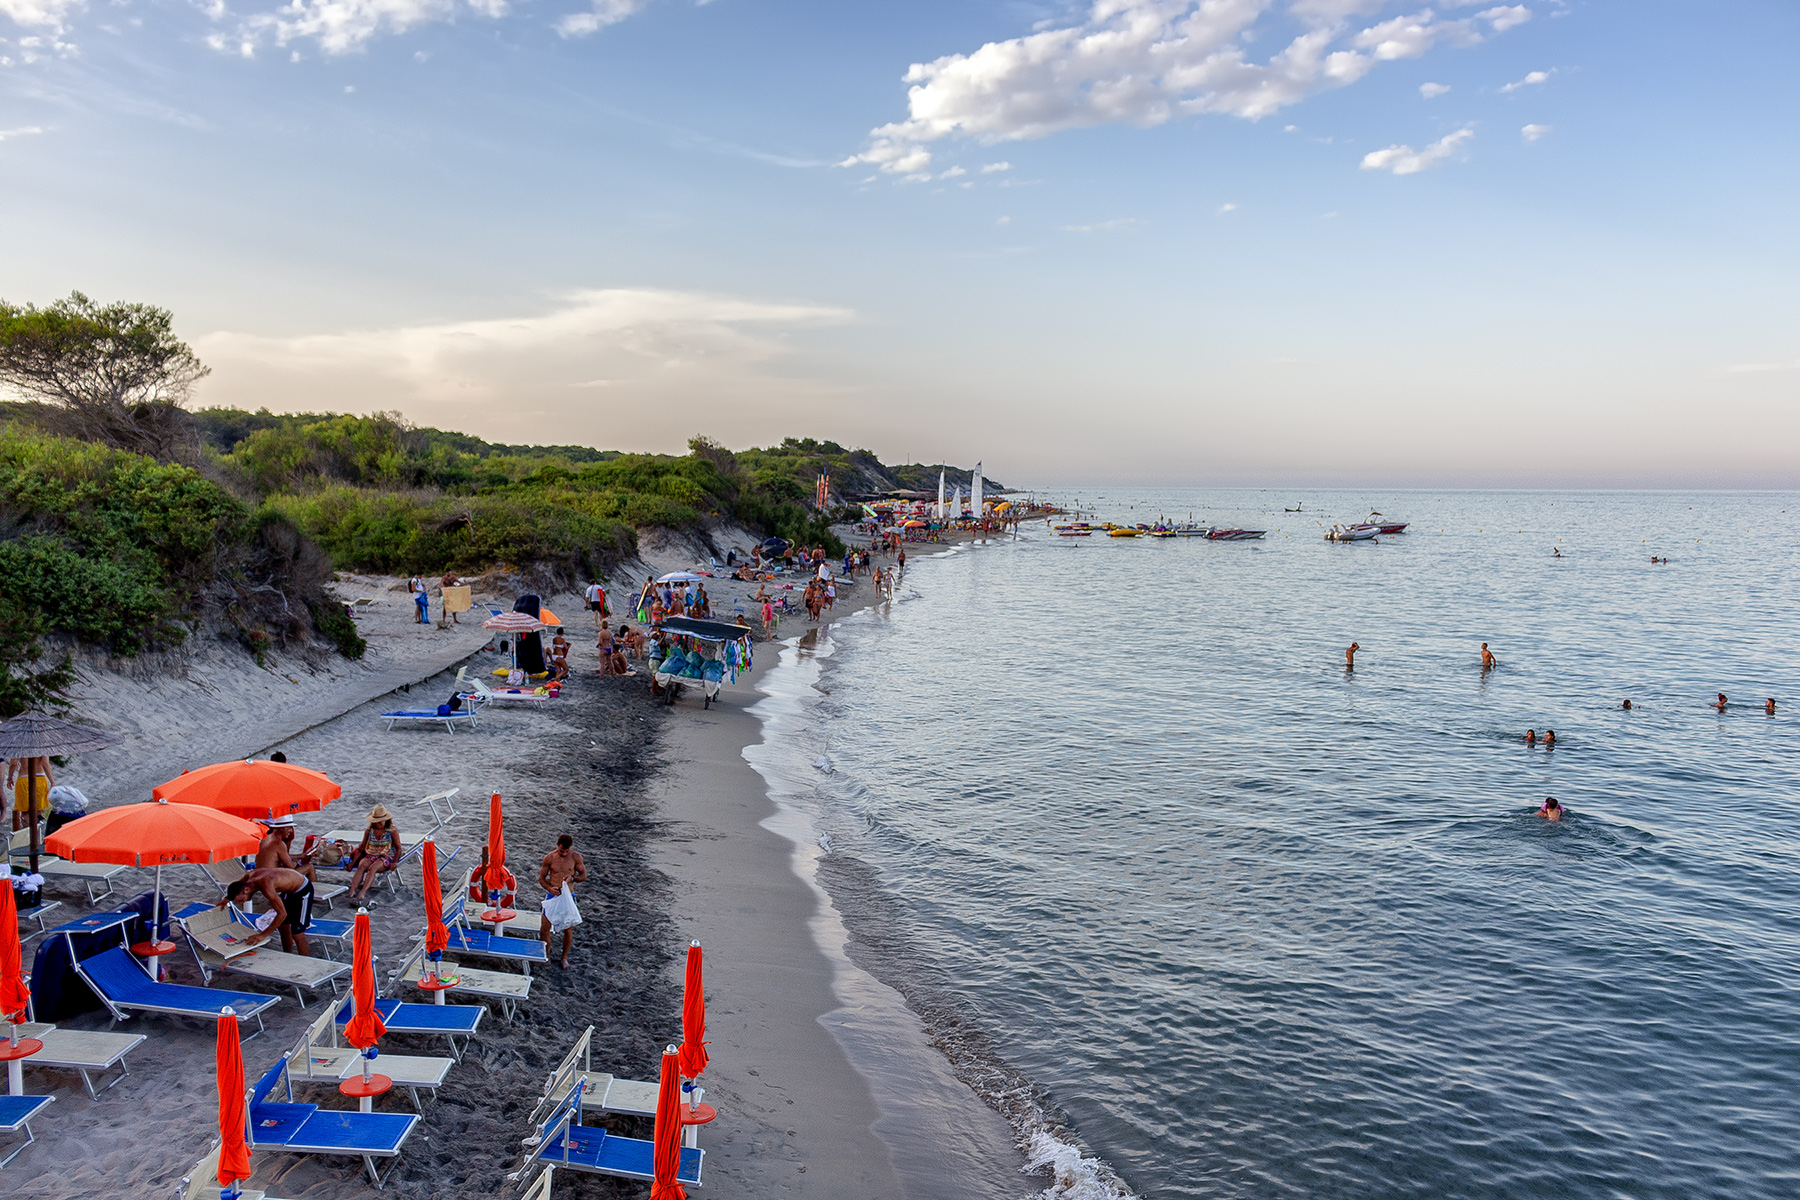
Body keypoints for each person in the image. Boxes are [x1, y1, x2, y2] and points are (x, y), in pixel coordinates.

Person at [223, 865, 314, 955]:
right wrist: (226, 899)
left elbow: (282, 914)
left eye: (241, 900)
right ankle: (288, 955)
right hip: (289, 889)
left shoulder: (266, 887)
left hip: (303, 889)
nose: (242, 903)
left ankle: (306, 963)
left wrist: (261, 936)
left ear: (246, 890)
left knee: (297, 934)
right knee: (283, 926)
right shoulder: (248, 877)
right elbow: (236, 886)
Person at [538, 833, 589, 969]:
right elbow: (541, 878)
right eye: (561, 851)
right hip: (553, 895)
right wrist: (549, 887)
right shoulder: (549, 858)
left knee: (568, 929)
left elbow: (583, 876)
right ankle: (546, 955)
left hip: (568, 896)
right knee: (544, 928)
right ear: (557, 845)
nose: (564, 854)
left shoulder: (575, 857)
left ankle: (564, 957)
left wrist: (572, 878)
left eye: (566, 851)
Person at [347, 806, 404, 905]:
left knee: (372, 868)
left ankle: (363, 892)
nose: (378, 824)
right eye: (376, 821)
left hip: (386, 855)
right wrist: (352, 863)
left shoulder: (392, 831)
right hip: (372, 853)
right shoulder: (369, 830)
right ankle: (352, 889)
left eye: (380, 821)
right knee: (362, 866)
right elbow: (362, 847)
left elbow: (398, 847)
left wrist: (395, 862)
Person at [257, 814, 317, 884]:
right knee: (310, 867)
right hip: (272, 879)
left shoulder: (267, 838)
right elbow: (291, 867)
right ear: (282, 828)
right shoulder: (279, 843)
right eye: (289, 828)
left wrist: (302, 855)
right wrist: (295, 863)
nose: (290, 831)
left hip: (261, 875)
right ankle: (313, 891)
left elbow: (280, 856)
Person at [7, 754, 53, 832]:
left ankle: (27, 835)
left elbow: (14, 762)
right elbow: (45, 763)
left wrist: (9, 778)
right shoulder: (42, 744)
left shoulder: (21, 743)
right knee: (38, 810)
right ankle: (35, 834)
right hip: (39, 779)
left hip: (24, 778)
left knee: (25, 811)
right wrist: (52, 781)